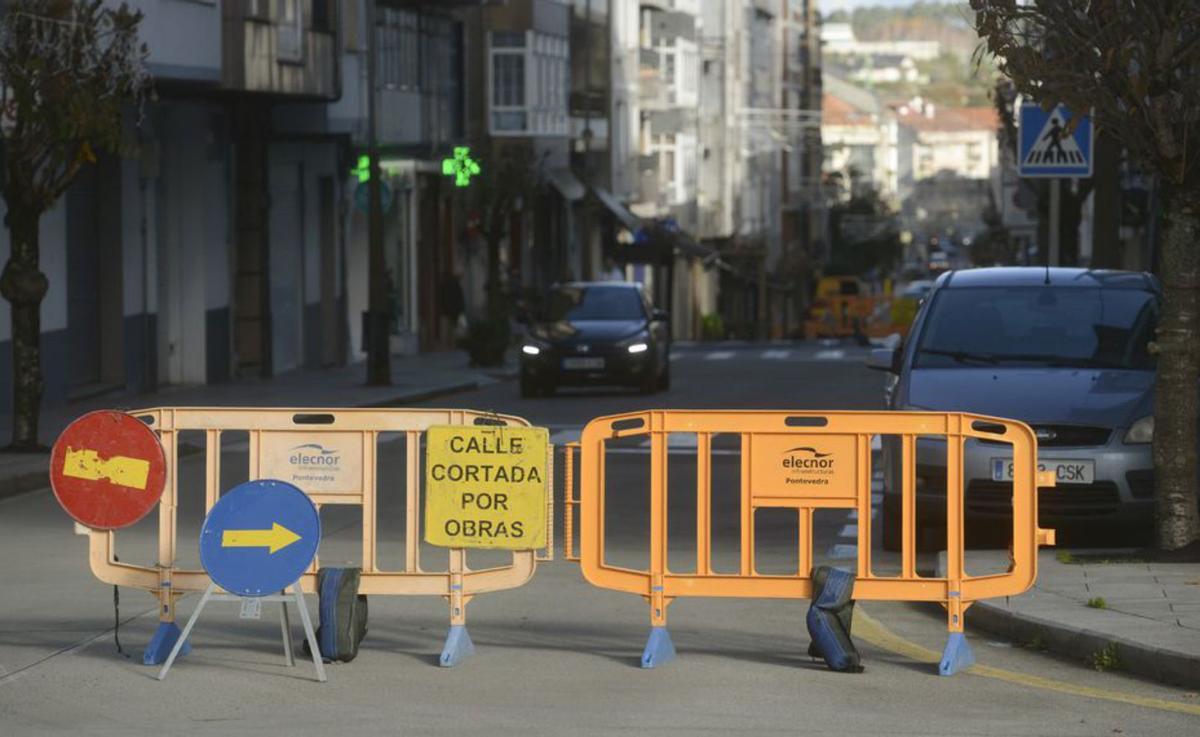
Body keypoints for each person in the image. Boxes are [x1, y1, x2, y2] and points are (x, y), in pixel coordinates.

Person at [438, 271, 465, 349]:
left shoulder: (445, 286)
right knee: (454, 327)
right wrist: (461, 309)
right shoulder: (456, 286)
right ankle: (452, 343)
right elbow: (460, 299)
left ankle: (447, 343)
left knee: (448, 328)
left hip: (447, 310)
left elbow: (443, 298)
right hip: (454, 310)